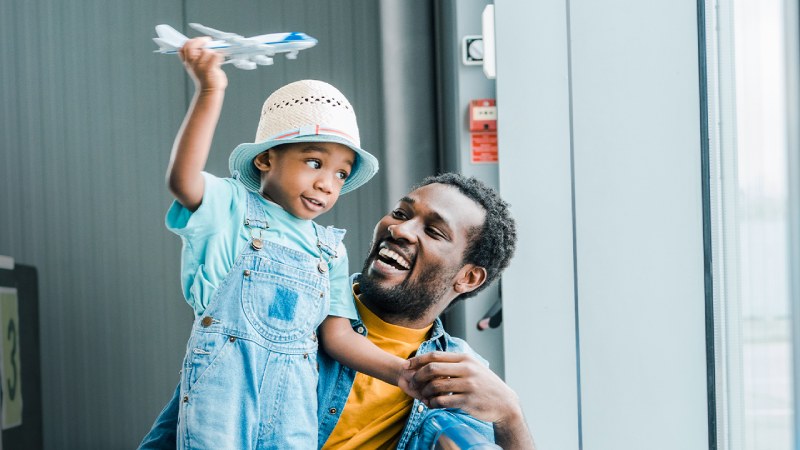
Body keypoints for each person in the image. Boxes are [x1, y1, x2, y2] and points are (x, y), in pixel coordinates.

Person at [150, 37, 417, 449]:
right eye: (314, 162)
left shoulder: (328, 248)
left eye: (341, 174)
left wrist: (402, 373)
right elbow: (182, 180)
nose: (327, 184)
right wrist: (209, 90)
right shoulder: (231, 207)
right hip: (223, 399)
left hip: (293, 408)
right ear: (265, 159)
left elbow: (338, 337)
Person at [140, 173, 536, 449]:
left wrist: (510, 418)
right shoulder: (288, 300)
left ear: (468, 278)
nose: (399, 230)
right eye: (401, 213)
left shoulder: (457, 375)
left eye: (433, 231)